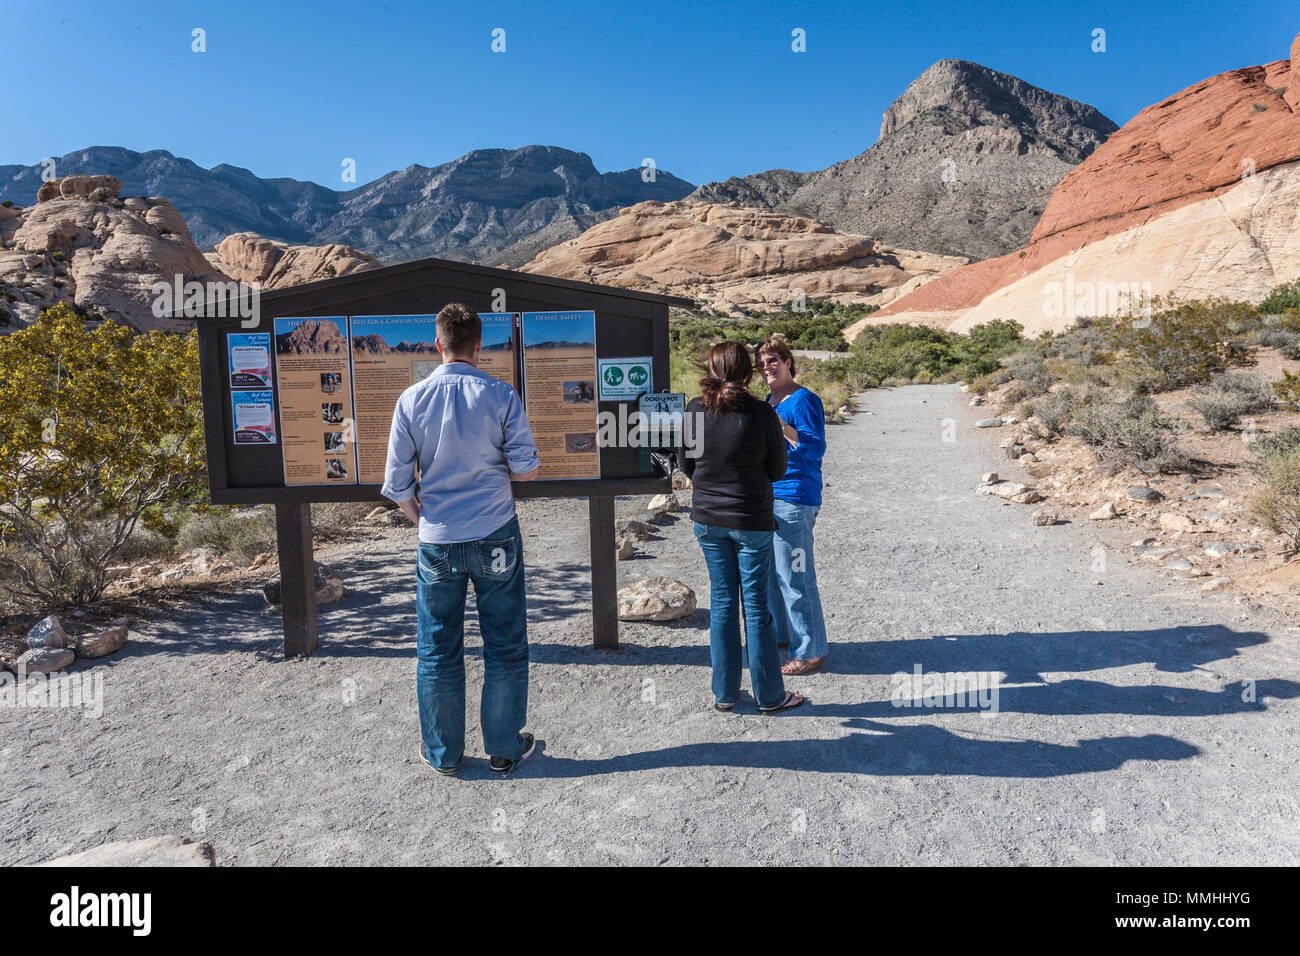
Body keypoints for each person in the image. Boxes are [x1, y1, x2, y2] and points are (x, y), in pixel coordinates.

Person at [382, 303, 541, 777]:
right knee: (505, 644)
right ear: (478, 347)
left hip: (438, 539)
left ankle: (444, 754)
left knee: (437, 648)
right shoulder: (501, 395)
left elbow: (396, 485)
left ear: (437, 345)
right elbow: (527, 469)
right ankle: (504, 749)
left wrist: (423, 522)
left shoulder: (411, 400)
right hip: (494, 532)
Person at [683, 341, 806, 714]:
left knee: (721, 604)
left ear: (711, 368)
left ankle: (724, 693)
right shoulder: (762, 414)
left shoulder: (693, 411)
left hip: (708, 520)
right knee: (755, 608)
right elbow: (777, 470)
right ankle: (770, 696)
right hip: (751, 520)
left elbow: (687, 466)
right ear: (746, 372)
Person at [756, 334, 829, 675]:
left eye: (773, 360)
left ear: (787, 362)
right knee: (773, 576)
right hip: (769, 497)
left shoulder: (803, 400)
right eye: (761, 364)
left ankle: (809, 651)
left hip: (795, 498)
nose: (767, 367)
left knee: (795, 576)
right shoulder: (767, 401)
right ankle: (787, 638)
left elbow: (814, 449)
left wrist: (782, 427)